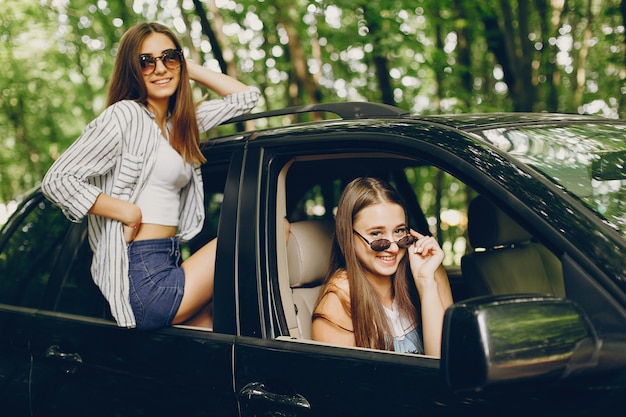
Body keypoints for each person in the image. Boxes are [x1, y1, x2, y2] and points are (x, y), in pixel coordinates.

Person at [41, 22, 260, 330]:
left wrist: (186, 66)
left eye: (169, 57)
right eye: (146, 61)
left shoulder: (181, 123)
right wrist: (127, 211)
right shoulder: (125, 116)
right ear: (132, 70)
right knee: (272, 232)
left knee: (228, 337)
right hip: (143, 277)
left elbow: (246, 97)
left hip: (169, 260)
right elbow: (58, 180)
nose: (159, 69)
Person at [311, 177, 453, 357]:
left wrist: (426, 284)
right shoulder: (338, 301)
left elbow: (447, 363)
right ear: (348, 235)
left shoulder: (429, 272)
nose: (393, 248)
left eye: (399, 231)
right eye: (376, 234)